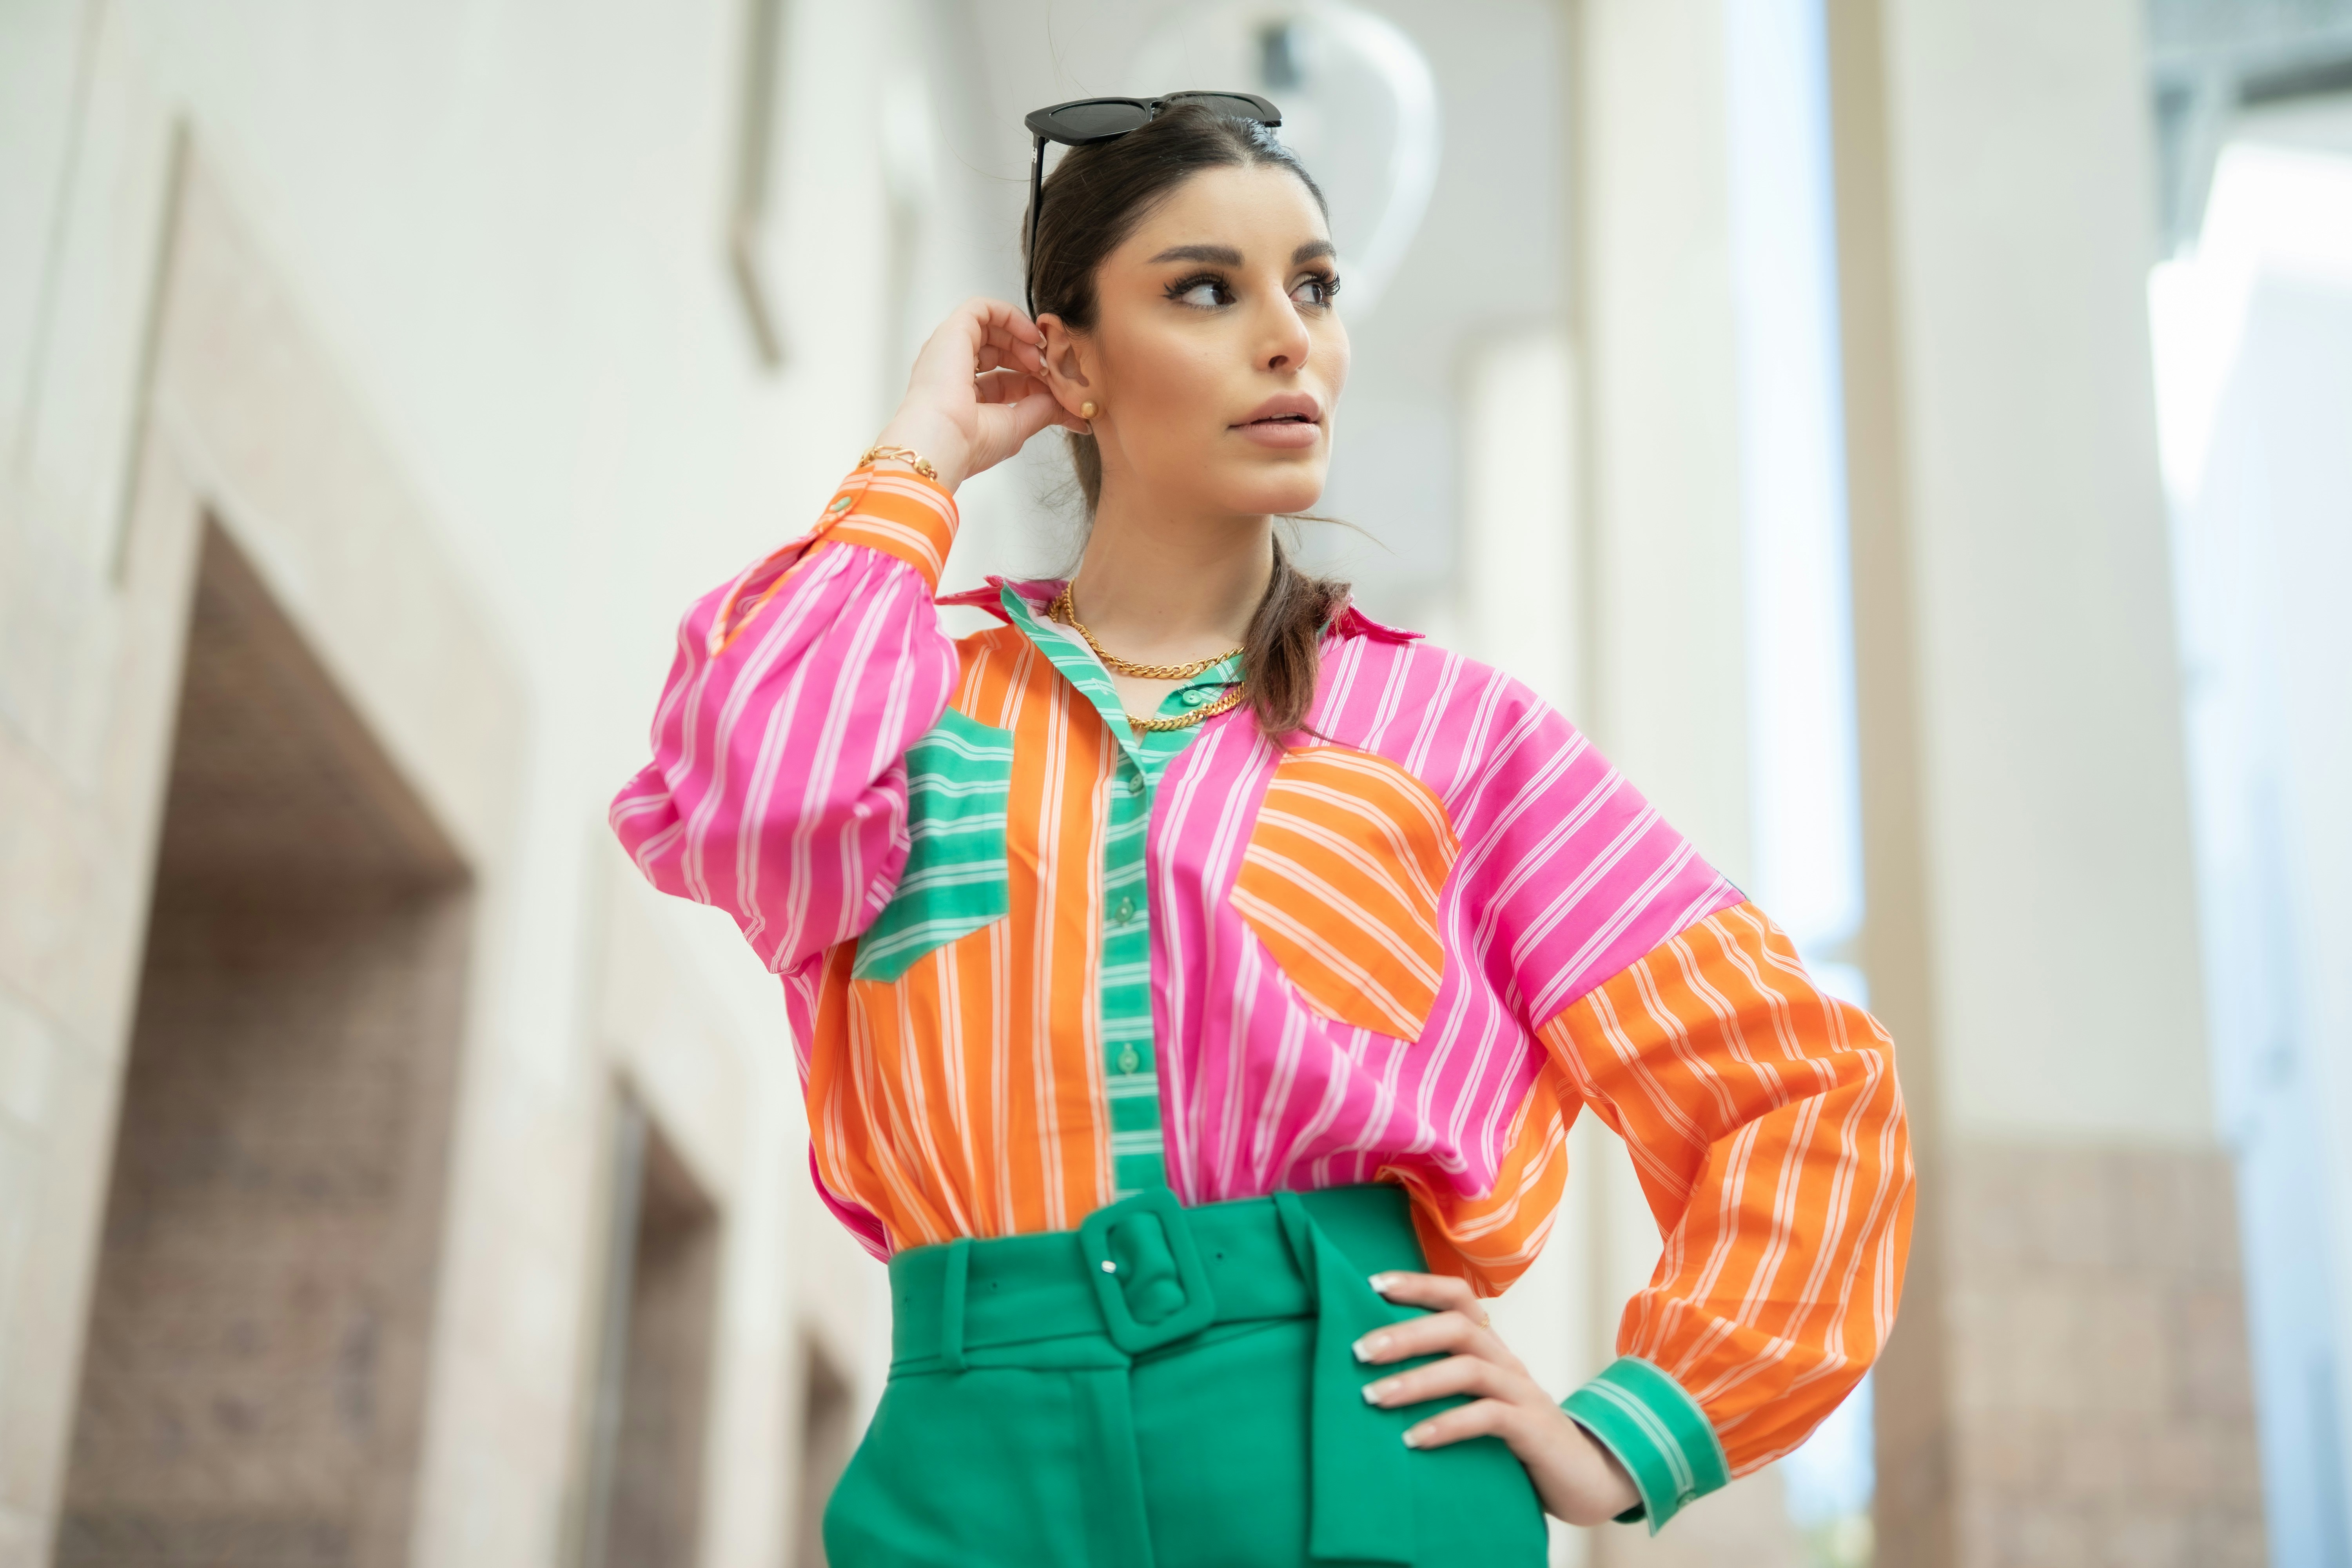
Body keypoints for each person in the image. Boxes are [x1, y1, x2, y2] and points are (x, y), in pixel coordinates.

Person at [612, 94, 1912, 1568]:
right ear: (1070, 364)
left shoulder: (1456, 736)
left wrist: (1633, 1437)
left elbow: (1799, 1086)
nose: (1290, 338)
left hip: (1355, 1441)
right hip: (968, 1455)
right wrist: (924, 455)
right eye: (1205, 291)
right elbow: (753, 799)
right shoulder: (915, 695)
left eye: (1315, 287)